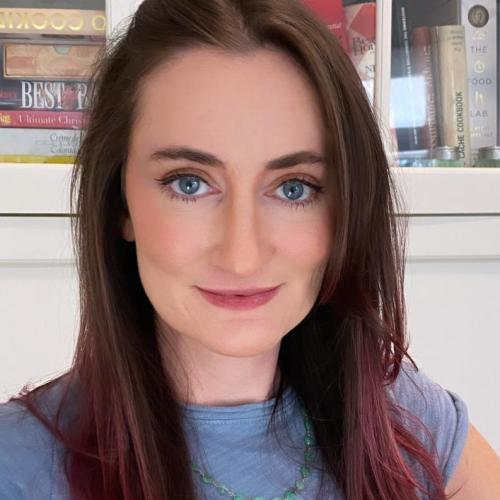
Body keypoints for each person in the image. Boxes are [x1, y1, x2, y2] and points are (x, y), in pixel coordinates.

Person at [1, 0, 499, 498]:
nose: (242, 256)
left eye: (294, 188)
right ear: (120, 202)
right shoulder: (18, 463)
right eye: (190, 184)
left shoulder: (414, 428)